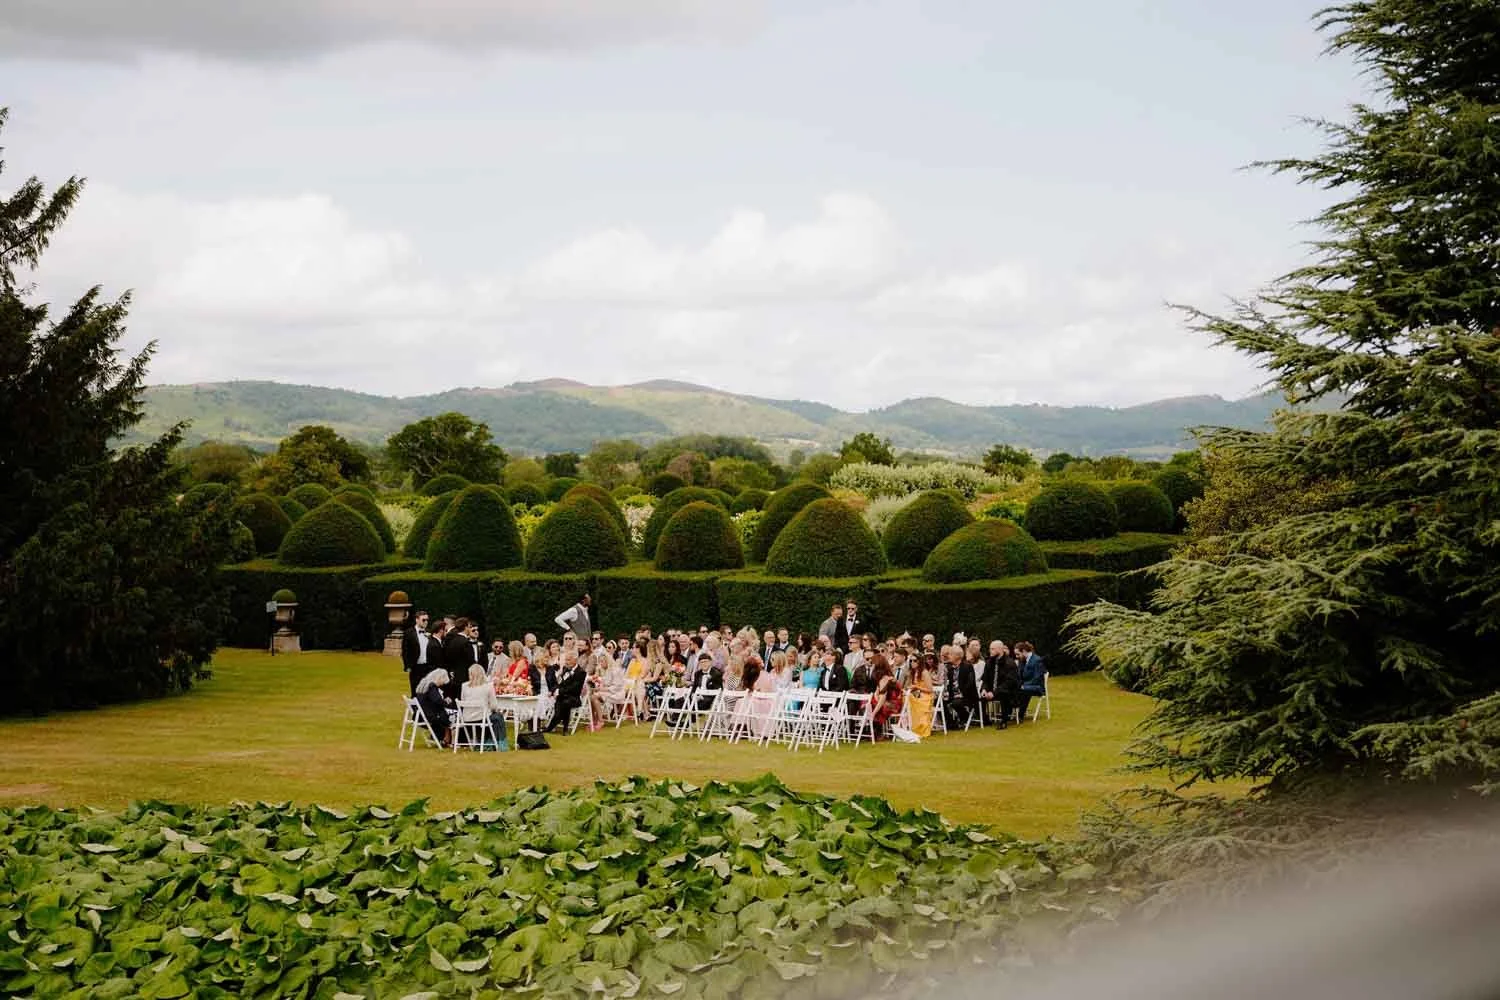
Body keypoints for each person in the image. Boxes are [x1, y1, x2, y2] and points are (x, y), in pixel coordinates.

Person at [459, 664, 509, 750]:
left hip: (467, 718)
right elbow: (494, 705)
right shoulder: (488, 686)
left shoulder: (464, 686)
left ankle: (488, 742)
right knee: (498, 717)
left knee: (495, 717)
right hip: (482, 717)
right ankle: (498, 743)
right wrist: (492, 709)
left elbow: (463, 700)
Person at [982, 640, 1021, 729]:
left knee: (1004, 694)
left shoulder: (1010, 663)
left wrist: (994, 693)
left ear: (999, 650)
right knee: (980, 696)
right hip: (993, 691)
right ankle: (985, 719)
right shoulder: (989, 662)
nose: (990, 651)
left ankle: (1004, 721)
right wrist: (984, 689)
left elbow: (1009, 683)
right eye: (990, 649)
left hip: (1009, 692)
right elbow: (985, 679)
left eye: (992, 649)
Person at [544, 651, 586, 733]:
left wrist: (559, 691)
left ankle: (551, 727)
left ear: (575, 660)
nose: (567, 662)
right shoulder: (565, 669)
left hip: (574, 698)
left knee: (564, 704)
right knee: (560, 704)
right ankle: (564, 728)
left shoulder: (581, 672)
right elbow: (559, 683)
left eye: (569, 660)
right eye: (566, 660)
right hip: (562, 696)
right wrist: (553, 690)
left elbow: (574, 688)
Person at [413, 668, 452, 746]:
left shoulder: (423, 684)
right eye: (442, 682)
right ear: (439, 678)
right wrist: (446, 702)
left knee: (447, 715)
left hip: (420, 714)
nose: (442, 684)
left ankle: (443, 738)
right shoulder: (432, 686)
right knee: (453, 716)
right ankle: (449, 739)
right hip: (430, 715)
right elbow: (438, 701)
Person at [400, 610, 434, 696]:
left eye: (427, 620)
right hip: (416, 667)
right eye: (423, 620)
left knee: (429, 691)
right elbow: (405, 650)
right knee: (415, 691)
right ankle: (415, 708)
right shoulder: (409, 633)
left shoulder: (430, 632)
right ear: (417, 620)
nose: (426, 622)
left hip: (429, 666)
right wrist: (407, 665)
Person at [442, 617, 476, 699]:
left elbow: (447, 657)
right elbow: (471, 662)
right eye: (469, 626)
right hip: (465, 676)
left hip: (454, 676)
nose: (470, 629)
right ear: (465, 627)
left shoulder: (452, 641)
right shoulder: (466, 643)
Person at [869, 661, 904, 739]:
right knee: (870, 703)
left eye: (873, 665)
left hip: (893, 704)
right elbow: (877, 694)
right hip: (885, 701)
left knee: (877, 707)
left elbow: (882, 698)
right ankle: (873, 729)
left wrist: (873, 713)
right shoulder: (880, 678)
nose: (871, 667)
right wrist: (876, 699)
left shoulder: (886, 679)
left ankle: (876, 730)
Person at [1016, 641, 1047, 721]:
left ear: (1024, 651)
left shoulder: (1037, 660)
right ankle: (1011, 713)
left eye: (1018, 654)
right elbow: (1020, 676)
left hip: (1038, 687)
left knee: (1023, 690)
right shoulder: (1022, 660)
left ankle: (1020, 715)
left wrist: (1024, 685)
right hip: (1026, 686)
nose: (1017, 656)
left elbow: (1037, 678)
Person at [907, 653, 936, 737]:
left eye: (915, 661)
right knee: (906, 697)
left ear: (920, 662)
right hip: (917, 695)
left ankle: (919, 728)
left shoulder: (924, 672)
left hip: (926, 697)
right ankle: (908, 725)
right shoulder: (913, 672)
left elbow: (930, 690)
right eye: (911, 661)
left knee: (908, 699)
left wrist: (917, 687)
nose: (912, 662)